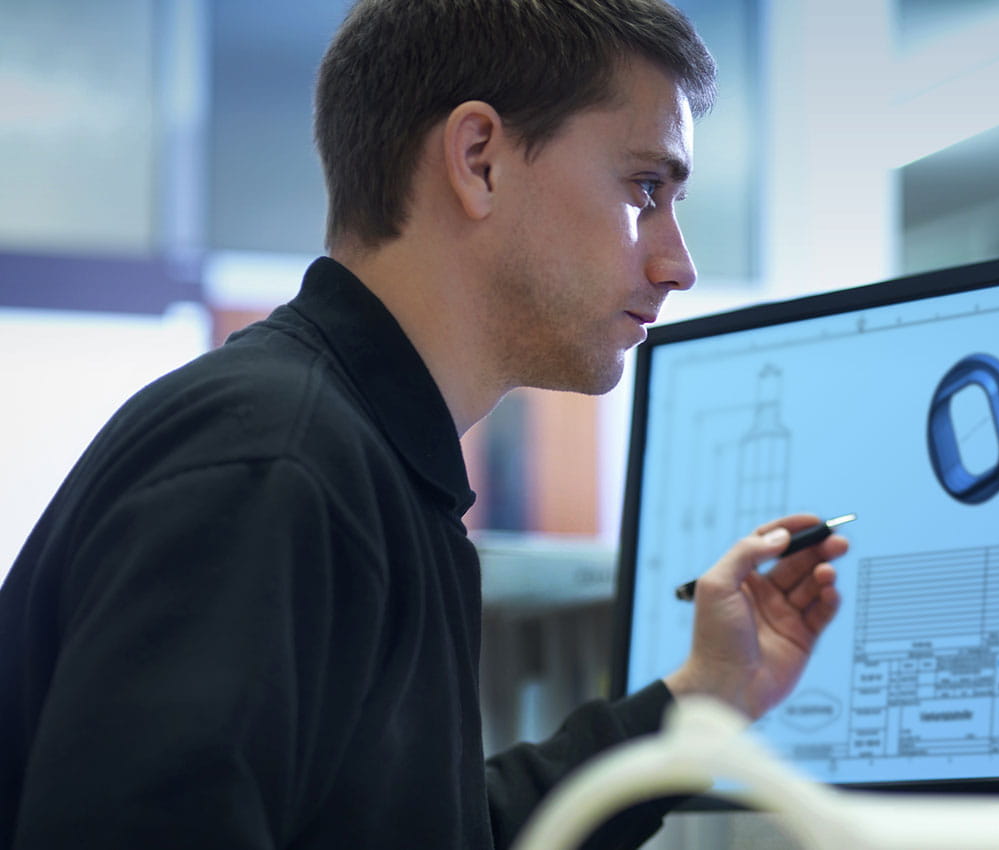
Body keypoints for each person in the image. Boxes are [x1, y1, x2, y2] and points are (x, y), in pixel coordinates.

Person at [0, 0, 843, 847]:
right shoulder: (274, 465)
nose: (679, 264)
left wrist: (703, 695)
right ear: (478, 160)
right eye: (646, 189)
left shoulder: (370, 469)